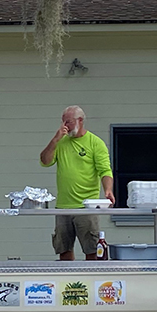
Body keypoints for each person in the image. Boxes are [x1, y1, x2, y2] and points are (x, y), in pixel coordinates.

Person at [39, 106, 115, 260]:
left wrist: (108, 190)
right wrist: (55, 139)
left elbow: (105, 170)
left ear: (80, 121)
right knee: (63, 249)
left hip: (87, 206)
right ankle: (67, 280)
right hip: (63, 206)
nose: (65, 125)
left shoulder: (95, 143)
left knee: (92, 250)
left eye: (69, 121)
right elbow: (45, 161)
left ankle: (91, 281)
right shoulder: (61, 142)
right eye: (63, 122)